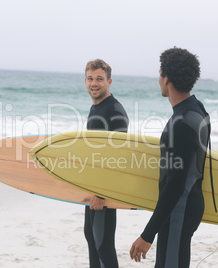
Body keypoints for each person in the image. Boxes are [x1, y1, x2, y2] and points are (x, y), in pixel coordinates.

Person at [130, 47, 211, 267]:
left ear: (166, 79)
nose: (159, 79)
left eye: (159, 74)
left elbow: (175, 184)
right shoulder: (198, 110)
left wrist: (147, 235)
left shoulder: (181, 123)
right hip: (187, 205)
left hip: (179, 209)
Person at [81, 59, 129, 268]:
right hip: (94, 187)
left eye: (99, 79)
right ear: (85, 81)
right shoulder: (96, 108)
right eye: (90, 78)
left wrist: (101, 193)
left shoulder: (114, 111)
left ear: (109, 82)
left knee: (102, 245)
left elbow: (118, 157)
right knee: (91, 238)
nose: (94, 83)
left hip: (104, 190)